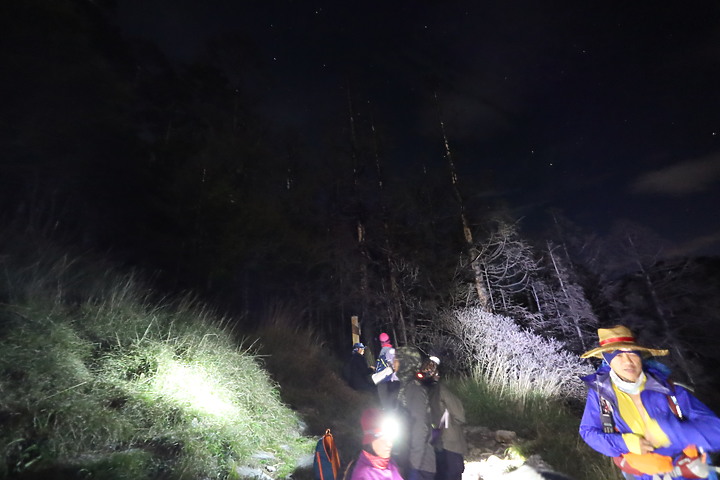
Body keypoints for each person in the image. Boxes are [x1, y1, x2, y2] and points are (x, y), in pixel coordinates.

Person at [579, 325, 720, 480]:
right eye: (618, 355)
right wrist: (626, 443)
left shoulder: (670, 389)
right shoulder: (600, 394)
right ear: (608, 360)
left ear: (640, 355)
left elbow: (716, 431)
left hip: (689, 472)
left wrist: (670, 431)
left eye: (632, 353)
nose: (628, 362)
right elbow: (589, 432)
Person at [395, 347, 436, 480]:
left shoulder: (414, 389)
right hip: (408, 461)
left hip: (420, 466)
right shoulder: (404, 386)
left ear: (407, 362)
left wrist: (414, 467)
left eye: (397, 360)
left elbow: (420, 429)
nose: (393, 363)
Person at [423, 355, 467, 480]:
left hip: (444, 443)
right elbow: (460, 415)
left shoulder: (435, 391)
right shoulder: (437, 390)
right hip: (445, 443)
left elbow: (459, 414)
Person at [347, 408, 405, 480]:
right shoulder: (364, 475)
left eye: (391, 438)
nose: (390, 444)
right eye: (384, 439)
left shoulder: (391, 464)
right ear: (370, 441)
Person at [375, 333, 401, 409]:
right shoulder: (394, 351)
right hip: (395, 381)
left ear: (381, 343)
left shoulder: (382, 353)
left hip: (384, 382)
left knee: (386, 405)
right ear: (389, 340)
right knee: (395, 405)